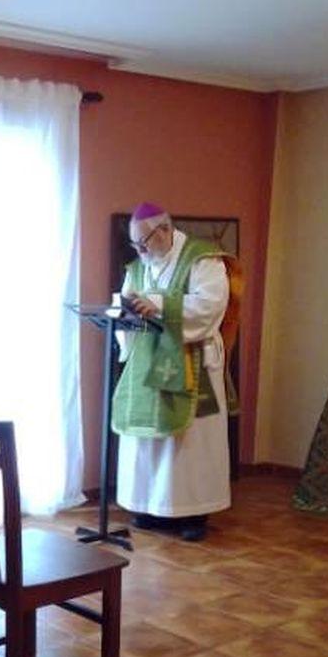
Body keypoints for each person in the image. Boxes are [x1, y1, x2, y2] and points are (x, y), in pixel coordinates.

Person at [112, 202, 231, 541]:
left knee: (190, 441)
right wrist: (124, 316)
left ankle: (194, 512)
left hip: (193, 360)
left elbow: (211, 304)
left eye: (145, 242)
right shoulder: (137, 266)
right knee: (147, 437)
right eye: (135, 245)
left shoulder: (202, 258)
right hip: (149, 360)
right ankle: (150, 506)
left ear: (165, 229)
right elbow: (127, 300)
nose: (141, 251)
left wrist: (161, 306)